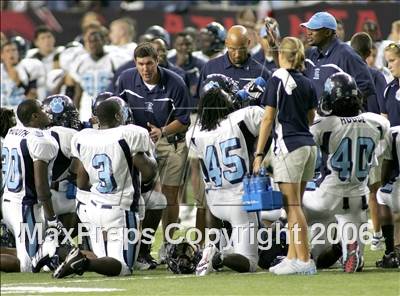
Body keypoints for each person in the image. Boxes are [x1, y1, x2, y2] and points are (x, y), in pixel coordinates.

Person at [53, 98, 157, 278]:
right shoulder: (129, 135)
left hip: (93, 207)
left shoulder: (84, 137)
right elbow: (148, 173)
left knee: (104, 260)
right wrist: (151, 155)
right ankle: (82, 260)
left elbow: (80, 179)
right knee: (123, 267)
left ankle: (68, 254)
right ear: (118, 115)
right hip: (120, 210)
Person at [303, 72, 390, 272]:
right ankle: (348, 249)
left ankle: (296, 254)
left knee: (291, 205)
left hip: (327, 195)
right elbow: (381, 148)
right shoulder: (376, 122)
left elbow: (305, 147)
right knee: (344, 232)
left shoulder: (324, 125)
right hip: (359, 197)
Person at [116, 42, 191, 261]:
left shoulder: (176, 82)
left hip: (171, 140)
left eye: (149, 63)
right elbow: (115, 106)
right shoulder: (126, 79)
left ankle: (168, 244)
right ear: (135, 63)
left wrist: (163, 131)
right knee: (136, 194)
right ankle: (137, 246)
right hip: (138, 143)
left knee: (169, 195)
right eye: (141, 64)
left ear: (157, 61)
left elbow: (185, 120)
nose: (145, 69)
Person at [253, 37, 317, 275]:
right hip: (308, 146)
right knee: (295, 206)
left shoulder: (277, 78)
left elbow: (268, 118)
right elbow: (311, 117)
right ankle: (292, 256)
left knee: (291, 206)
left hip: (288, 147)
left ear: (282, 55)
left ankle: (303, 259)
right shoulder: (308, 82)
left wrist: (259, 153)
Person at [186, 87, 264, 275]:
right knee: (250, 262)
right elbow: (268, 121)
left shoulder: (194, 134)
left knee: (237, 246)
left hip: (215, 204)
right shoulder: (244, 117)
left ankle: (213, 248)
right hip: (240, 200)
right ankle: (218, 256)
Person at [1, 100, 60, 272]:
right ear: (34, 116)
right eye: (42, 109)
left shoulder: (13, 132)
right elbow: (40, 184)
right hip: (25, 207)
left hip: (9, 201)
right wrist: (51, 218)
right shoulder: (40, 139)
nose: (46, 111)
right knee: (29, 265)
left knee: (33, 253)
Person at [300, 12, 380, 114]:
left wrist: (343, 110)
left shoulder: (346, 55)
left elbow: (366, 88)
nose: (308, 32)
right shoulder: (310, 55)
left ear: (328, 32)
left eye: (314, 29)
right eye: (308, 28)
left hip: (341, 124)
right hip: (317, 124)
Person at [67, 24, 129, 121]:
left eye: (96, 40)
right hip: (87, 106)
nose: (93, 44)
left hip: (109, 104)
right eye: (90, 41)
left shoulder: (114, 59)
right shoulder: (80, 62)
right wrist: (75, 115)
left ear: (103, 41)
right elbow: (78, 92)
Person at [198, 25, 271, 107]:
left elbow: (267, 111)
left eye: (242, 49)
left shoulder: (262, 73)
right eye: (232, 49)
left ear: (248, 43)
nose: (237, 54)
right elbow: (201, 102)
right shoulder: (209, 68)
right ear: (226, 43)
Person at [1, 41, 46, 110]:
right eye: (7, 51)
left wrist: (19, 83)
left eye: (14, 50)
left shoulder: (28, 67)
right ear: (2, 55)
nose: (11, 53)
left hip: (21, 112)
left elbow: (34, 97)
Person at [381, 42, 400, 127]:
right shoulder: (388, 90)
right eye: (387, 62)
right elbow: (384, 124)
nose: (389, 66)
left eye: (392, 60)